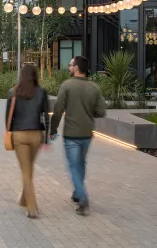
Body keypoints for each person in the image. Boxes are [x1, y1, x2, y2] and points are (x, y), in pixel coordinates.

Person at [50, 55, 105, 215]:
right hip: (87, 134)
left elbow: (58, 110)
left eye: (70, 65)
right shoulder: (94, 87)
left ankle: (83, 198)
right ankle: (76, 193)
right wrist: (87, 112)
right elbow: (101, 111)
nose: (69, 67)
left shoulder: (67, 86)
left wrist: (53, 130)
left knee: (74, 166)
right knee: (81, 164)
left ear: (77, 68)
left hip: (71, 135)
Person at [5, 64, 49, 219]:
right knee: (29, 168)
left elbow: (8, 117)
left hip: (19, 135)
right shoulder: (42, 92)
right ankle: (24, 199)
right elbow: (46, 116)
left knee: (26, 170)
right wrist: (47, 138)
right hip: (36, 135)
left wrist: (9, 132)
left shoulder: (14, 92)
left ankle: (32, 207)